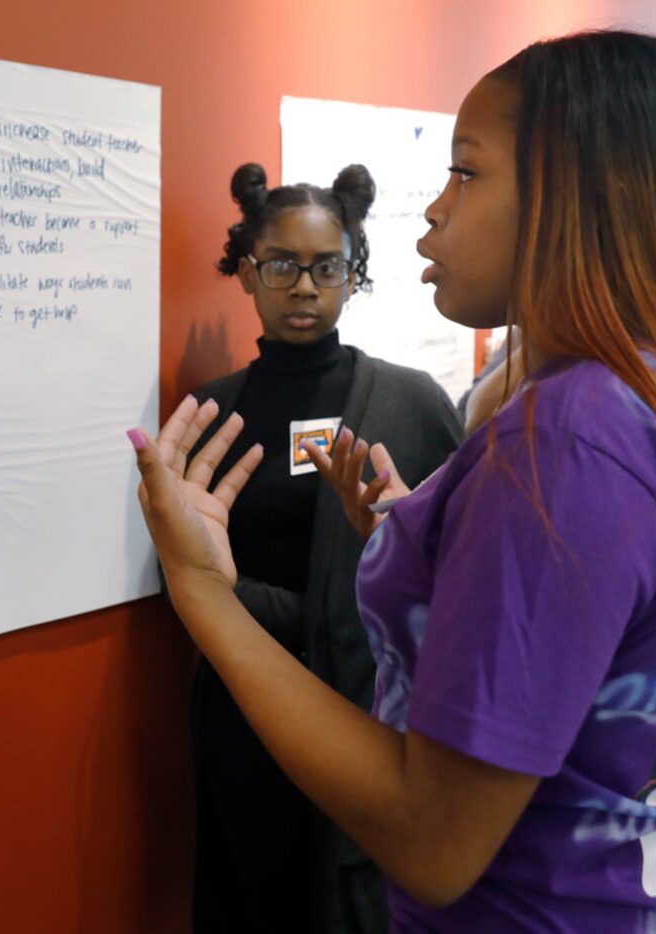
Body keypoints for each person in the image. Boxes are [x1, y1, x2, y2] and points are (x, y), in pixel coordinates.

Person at [130, 30, 656, 929]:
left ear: (580, 196)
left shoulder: (570, 434)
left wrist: (202, 591)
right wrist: (437, 543)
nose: (434, 214)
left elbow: (434, 837)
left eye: (467, 174)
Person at [186, 162, 462, 933]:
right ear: (248, 273)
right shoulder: (213, 411)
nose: (303, 286)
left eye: (325, 267)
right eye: (281, 265)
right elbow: (188, 568)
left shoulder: (409, 404)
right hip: (247, 706)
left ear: (353, 272)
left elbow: (463, 567)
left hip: (367, 711)